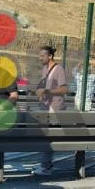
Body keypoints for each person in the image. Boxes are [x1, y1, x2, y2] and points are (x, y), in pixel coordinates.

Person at [32, 45, 68, 176]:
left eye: (42, 56)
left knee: (48, 137)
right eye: (39, 55)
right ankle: (46, 163)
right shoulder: (44, 69)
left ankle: (46, 166)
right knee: (44, 136)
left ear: (50, 56)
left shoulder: (58, 69)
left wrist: (48, 91)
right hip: (45, 107)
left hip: (55, 108)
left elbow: (64, 89)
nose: (40, 58)